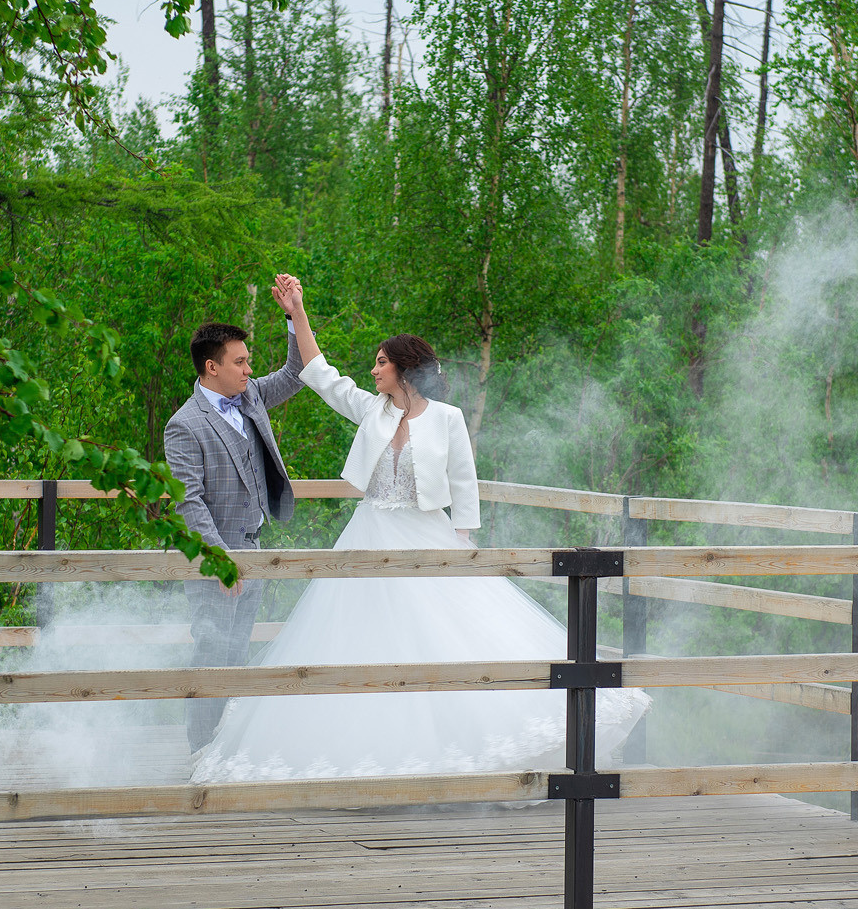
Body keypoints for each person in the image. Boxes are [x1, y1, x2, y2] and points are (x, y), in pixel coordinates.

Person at [190, 275, 648, 783]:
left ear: (404, 369)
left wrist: (463, 538)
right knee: (361, 637)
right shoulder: (371, 408)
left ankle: (465, 744)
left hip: (427, 534)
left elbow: (463, 481)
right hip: (370, 535)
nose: (373, 369)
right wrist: (296, 311)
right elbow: (319, 372)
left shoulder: (447, 418)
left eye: (381, 362)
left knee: (447, 636)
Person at [162, 277, 305, 751]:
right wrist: (221, 560)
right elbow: (188, 501)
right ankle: (201, 753)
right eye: (240, 362)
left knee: (239, 657)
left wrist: (294, 314)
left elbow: (298, 369)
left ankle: (226, 752)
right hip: (215, 560)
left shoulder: (250, 398)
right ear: (211, 367)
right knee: (210, 657)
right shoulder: (184, 425)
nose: (248, 370)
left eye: (248, 362)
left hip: (255, 552)